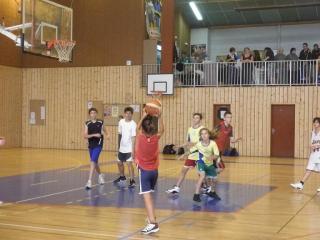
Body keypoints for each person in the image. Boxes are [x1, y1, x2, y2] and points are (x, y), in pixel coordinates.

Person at [135, 109, 164, 235]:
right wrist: (160, 117)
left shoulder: (140, 137)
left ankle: (153, 223)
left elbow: (137, 127)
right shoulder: (155, 139)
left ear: (143, 129)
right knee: (149, 197)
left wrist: (143, 116)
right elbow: (162, 130)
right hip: (154, 172)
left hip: (145, 172)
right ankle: (152, 218)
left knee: (146, 198)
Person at [166, 113, 204, 194]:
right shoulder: (190, 129)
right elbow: (188, 142)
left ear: (200, 120)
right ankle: (177, 187)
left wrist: (187, 151)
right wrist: (179, 146)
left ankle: (204, 187)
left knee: (201, 173)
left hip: (200, 153)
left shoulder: (202, 129)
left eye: (197, 118)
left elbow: (201, 142)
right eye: (194, 118)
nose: (195, 119)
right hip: (192, 154)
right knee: (184, 170)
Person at [291, 117, 320, 191]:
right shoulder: (313, 132)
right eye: (314, 122)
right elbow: (311, 143)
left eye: (317, 122)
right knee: (309, 169)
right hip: (313, 154)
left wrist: (317, 145)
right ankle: (301, 184)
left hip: (319, 154)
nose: (315, 123)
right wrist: (312, 145)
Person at [113, 107, 137, 187]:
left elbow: (134, 137)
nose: (128, 115)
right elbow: (119, 134)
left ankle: (132, 180)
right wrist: (118, 147)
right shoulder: (121, 122)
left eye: (130, 113)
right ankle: (122, 177)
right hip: (122, 147)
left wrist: (133, 150)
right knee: (119, 162)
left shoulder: (133, 124)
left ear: (132, 114)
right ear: (124, 114)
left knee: (129, 163)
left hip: (129, 147)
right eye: (126, 113)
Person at [84, 108, 106, 189]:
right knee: (95, 162)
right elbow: (85, 135)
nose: (93, 114)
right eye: (91, 113)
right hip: (91, 145)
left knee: (92, 161)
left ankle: (89, 181)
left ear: (96, 113)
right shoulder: (87, 123)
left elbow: (104, 130)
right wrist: (94, 135)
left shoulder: (100, 122)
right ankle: (100, 176)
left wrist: (107, 135)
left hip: (99, 144)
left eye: (94, 113)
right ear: (90, 114)